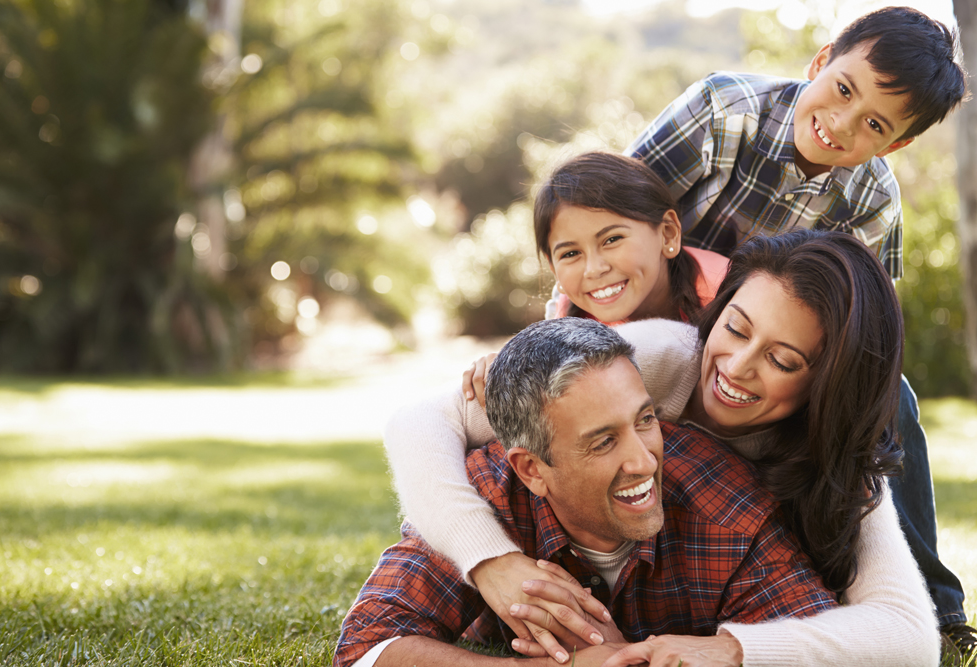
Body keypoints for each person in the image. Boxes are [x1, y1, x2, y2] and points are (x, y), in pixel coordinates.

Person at [384, 230, 940, 666]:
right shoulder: (651, 358)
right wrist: (490, 560)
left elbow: (910, 637)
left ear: (827, 384)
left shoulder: (837, 462)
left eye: (783, 360)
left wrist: (732, 649)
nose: (737, 367)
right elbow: (418, 420)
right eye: (737, 329)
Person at [622, 5, 972, 653]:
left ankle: (933, 603)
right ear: (819, 62)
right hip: (661, 318)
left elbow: (862, 333)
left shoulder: (873, 199)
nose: (841, 123)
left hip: (778, 359)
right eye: (843, 89)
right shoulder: (725, 111)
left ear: (895, 144)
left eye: (874, 124)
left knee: (891, 396)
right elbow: (612, 218)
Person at [335, 317, 838, 667]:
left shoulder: (730, 511)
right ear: (533, 470)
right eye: (602, 441)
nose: (644, 461)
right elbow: (367, 649)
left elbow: (819, 641)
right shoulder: (480, 498)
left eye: (645, 420)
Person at [532, 151, 728, 327]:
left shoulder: (729, 297)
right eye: (571, 253)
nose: (594, 269)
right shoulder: (571, 320)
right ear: (554, 269)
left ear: (668, 234)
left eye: (612, 239)